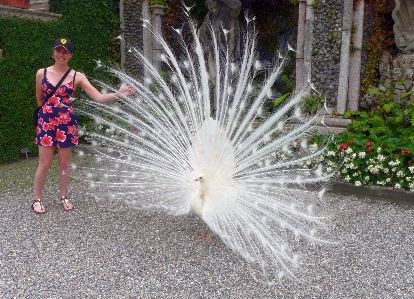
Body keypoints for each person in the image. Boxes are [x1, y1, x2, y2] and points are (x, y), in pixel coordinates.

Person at [32, 38, 134, 214]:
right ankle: (37, 199)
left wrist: (119, 94)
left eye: (65, 52)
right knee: (44, 163)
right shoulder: (41, 73)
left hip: (66, 123)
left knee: (64, 163)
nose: (61, 55)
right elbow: (40, 100)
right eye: (58, 50)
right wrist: (48, 114)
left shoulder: (77, 76)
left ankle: (64, 197)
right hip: (46, 121)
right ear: (53, 52)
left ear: (71, 55)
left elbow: (98, 97)